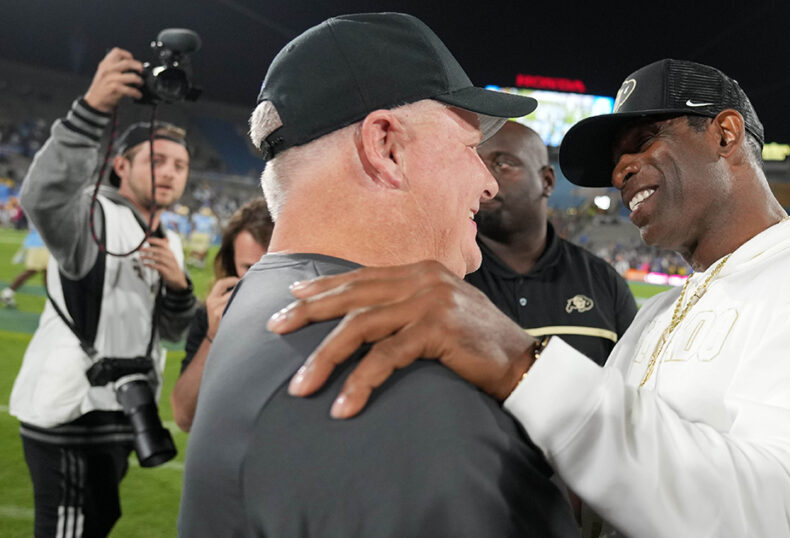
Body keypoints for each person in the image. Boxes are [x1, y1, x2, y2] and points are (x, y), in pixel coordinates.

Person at [275, 59, 790, 537]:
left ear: (725, 135)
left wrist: (520, 361)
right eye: (613, 158)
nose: (621, 171)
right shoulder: (655, 314)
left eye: (642, 140)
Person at [178, 13, 576, 537]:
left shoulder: (264, 292)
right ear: (386, 145)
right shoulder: (410, 397)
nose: (487, 184)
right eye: (468, 148)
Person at [8, 47, 196, 537]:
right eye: (156, 159)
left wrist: (179, 286)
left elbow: (170, 332)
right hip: (71, 408)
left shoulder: (168, 237)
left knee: (99, 522)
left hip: (123, 408)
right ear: (120, 166)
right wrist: (91, 109)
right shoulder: (91, 217)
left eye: (180, 164)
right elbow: (43, 197)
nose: (171, 171)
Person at [469, 121, 637, 365]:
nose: (484, 180)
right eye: (476, 163)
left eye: (502, 164)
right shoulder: (447, 275)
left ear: (547, 181)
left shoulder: (603, 281)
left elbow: (629, 386)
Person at [171, 198, 273, 431]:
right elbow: (185, 418)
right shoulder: (212, 317)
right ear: (231, 265)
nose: (261, 280)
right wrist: (214, 335)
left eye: (271, 265)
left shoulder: (319, 317)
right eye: (248, 268)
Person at [2, 224, 49, 309]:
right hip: (40, 243)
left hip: (40, 242)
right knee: (34, 271)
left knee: (46, 274)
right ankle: (8, 293)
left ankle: (53, 300)